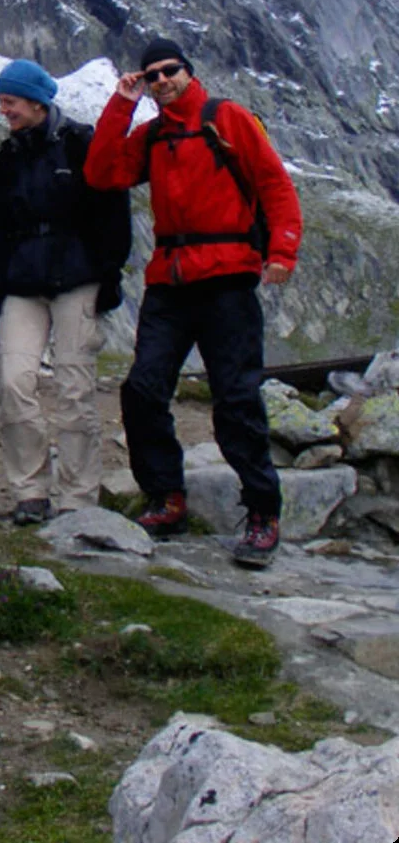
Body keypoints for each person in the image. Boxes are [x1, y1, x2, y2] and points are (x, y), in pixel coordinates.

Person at [84, 37, 303, 568]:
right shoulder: (153, 133)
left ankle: (262, 514)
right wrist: (121, 103)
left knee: (236, 399)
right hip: (170, 281)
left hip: (228, 280)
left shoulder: (227, 119)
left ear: (188, 71)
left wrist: (282, 251)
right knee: (142, 388)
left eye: (169, 71)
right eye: (151, 75)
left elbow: (275, 185)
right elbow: (101, 173)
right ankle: (166, 497)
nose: (161, 81)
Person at [0, 60, 131, 525]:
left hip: (78, 279)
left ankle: (78, 496)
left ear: (35, 101)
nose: (3, 109)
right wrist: (0, 289)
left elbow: (113, 213)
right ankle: (30, 490)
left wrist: (108, 276)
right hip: (23, 284)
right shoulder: (6, 158)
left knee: (75, 387)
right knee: (14, 382)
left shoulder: (81, 144)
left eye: (9, 101)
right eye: (2, 101)